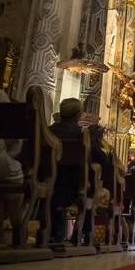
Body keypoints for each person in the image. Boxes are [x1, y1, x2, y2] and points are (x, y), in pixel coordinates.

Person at [49, 98, 84, 243]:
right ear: (78, 115)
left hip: (48, 180)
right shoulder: (81, 134)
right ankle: (81, 233)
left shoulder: (48, 131)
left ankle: (53, 232)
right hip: (73, 186)